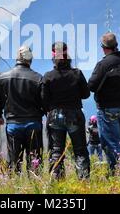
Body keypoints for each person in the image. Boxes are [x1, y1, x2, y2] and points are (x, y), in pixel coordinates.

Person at [88, 32, 120, 175]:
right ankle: (117, 171)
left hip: (108, 108)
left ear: (103, 47)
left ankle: (117, 173)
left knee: (109, 143)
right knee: (118, 142)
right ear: (116, 45)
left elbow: (91, 86)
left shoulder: (104, 64)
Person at [0, 46, 44, 174]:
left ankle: (13, 187)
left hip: (13, 125)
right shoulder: (38, 78)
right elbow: (44, 102)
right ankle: (35, 187)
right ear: (30, 60)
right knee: (35, 161)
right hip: (33, 124)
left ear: (17, 59)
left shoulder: (2, 77)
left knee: (13, 162)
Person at [42, 42, 90, 180]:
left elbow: (43, 100)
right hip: (74, 114)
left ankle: (57, 181)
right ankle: (83, 181)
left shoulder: (48, 76)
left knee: (56, 150)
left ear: (53, 58)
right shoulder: (77, 73)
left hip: (55, 115)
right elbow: (86, 94)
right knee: (80, 150)